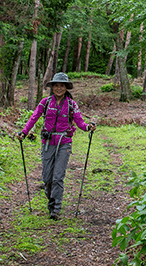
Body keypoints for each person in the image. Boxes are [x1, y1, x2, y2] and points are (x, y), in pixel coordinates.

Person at [18, 72, 95, 220]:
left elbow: (80, 122)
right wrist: (24, 132)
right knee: (47, 178)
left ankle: (55, 209)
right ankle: (51, 200)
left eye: (62, 86)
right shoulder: (45, 102)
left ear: (66, 88)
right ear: (52, 87)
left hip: (64, 143)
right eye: (56, 85)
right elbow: (34, 117)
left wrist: (88, 127)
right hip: (47, 143)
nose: (59, 88)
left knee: (58, 177)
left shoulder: (71, 104)